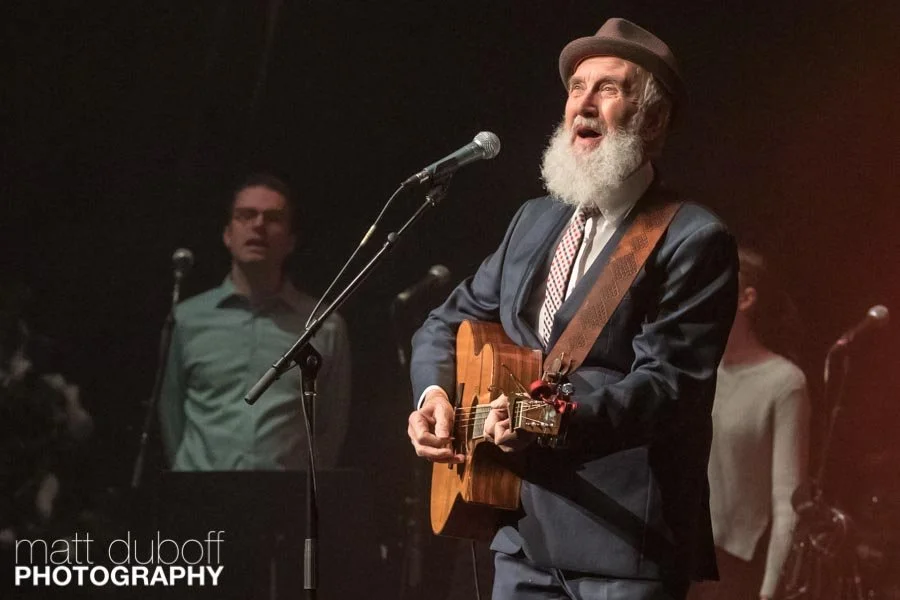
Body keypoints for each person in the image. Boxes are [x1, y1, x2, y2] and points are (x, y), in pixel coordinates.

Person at [406, 18, 739, 600]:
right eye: (576, 87)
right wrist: (433, 396)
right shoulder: (533, 220)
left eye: (608, 89)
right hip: (519, 536)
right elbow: (447, 320)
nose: (583, 104)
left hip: (623, 549)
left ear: (653, 119)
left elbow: (667, 387)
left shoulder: (693, 237)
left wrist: (550, 421)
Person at [159, 173, 351, 471]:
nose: (259, 225)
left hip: (285, 494)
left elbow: (331, 424)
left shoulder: (324, 325)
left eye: (273, 218)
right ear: (227, 234)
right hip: (200, 490)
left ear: (291, 241)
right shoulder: (187, 318)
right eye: (246, 215)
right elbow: (170, 411)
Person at [687, 248, 810, 600]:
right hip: (677, 557)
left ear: (746, 298)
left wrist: (769, 592)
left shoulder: (783, 382)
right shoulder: (694, 371)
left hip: (732, 570)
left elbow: (787, 502)